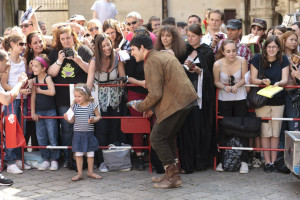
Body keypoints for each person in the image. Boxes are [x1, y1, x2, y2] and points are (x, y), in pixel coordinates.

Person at [130, 34, 198, 189]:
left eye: (133, 49)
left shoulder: (152, 60)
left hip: (177, 103)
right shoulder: (160, 56)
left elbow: (155, 93)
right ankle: (171, 174)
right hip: (184, 101)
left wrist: (141, 106)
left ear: (142, 48)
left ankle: (173, 177)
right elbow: (161, 88)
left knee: (157, 138)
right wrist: (150, 107)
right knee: (165, 137)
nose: (132, 53)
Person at [48, 25, 93, 168]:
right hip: (63, 98)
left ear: (73, 37)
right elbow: (51, 73)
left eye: (68, 38)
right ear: (59, 40)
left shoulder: (83, 50)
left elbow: (91, 70)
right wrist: (60, 61)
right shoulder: (55, 52)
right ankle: (68, 158)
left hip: (81, 98)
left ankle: (81, 159)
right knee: (66, 128)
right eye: (63, 39)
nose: (66, 41)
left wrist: (78, 60)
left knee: (82, 127)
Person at [177, 24, 216, 173]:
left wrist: (200, 70)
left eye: (194, 36)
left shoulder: (206, 51)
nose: (191, 39)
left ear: (200, 35)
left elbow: (211, 75)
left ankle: (200, 162)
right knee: (185, 130)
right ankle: (186, 163)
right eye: (189, 36)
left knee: (200, 128)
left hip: (201, 98)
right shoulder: (183, 50)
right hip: (185, 97)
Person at [250, 35, 289, 173]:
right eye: (269, 46)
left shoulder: (283, 59)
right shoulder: (257, 59)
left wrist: (278, 83)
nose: (271, 49)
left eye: (274, 47)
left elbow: (285, 79)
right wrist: (262, 81)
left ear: (279, 48)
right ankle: (267, 162)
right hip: (262, 100)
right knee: (265, 132)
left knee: (276, 132)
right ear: (265, 47)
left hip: (278, 99)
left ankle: (273, 161)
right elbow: (253, 79)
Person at [86, 33, 125, 171]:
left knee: (114, 128)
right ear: (98, 48)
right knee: (101, 129)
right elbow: (89, 84)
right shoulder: (93, 61)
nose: (107, 48)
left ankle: (113, 159)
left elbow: (122, 76)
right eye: (103, 46)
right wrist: (83, 99)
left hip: (115, 99)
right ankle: (101, 161)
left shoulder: (117, 57)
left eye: (108, 44)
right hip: (99, 100)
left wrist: (121, 80)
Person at [213, 40, 249, 173]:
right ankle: (222, 160)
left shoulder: (242, 61)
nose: (231, 54)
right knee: (224, 128)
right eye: (228, 51)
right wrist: (224, 87)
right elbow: (216, 81)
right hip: (224, 99)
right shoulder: (217, 64)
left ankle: (244, 161)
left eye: (234, 51)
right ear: (223, 52)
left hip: (240, 97)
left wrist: (236, 86)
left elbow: (245, 78)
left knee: (242, 127)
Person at [1, 34, 31, 174]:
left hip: (22, 99)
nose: (23, 47)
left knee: (21, 129)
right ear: (12, 44)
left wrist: (27, 87)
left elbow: (25, 79)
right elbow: (4, 84)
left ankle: (19, 157)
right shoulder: (7, 61)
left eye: (24, 44)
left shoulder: (23, 60)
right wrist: (19, 89)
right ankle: (10, 160)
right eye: (20, 44)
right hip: (12, 99)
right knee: (11, 130)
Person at [64, 84, 102, 181]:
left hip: (89, 134)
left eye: (79, 96)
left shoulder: (93, 105)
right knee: (79, 154)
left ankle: (90, 172)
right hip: (78, 134)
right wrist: (67, 119)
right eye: (75, 96)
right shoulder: (74, 107)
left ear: (86, 96)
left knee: (90, 154)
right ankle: (80, 173)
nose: (77, 98)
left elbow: (99, 116)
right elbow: (72, 121)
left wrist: (94, 120)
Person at [30, 54, 59, 171]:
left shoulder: (47, 78)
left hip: (50, 111)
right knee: (41, 137)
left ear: (43, 68)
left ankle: (54, 159)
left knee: (52, 136)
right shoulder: (33, 80)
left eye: (36, 66)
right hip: (39, 112)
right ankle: (45, 159)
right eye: (33, 66)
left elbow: (52, 92)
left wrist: (40, 91)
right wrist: (33, 112)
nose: (33, 68)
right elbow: (32, 97)